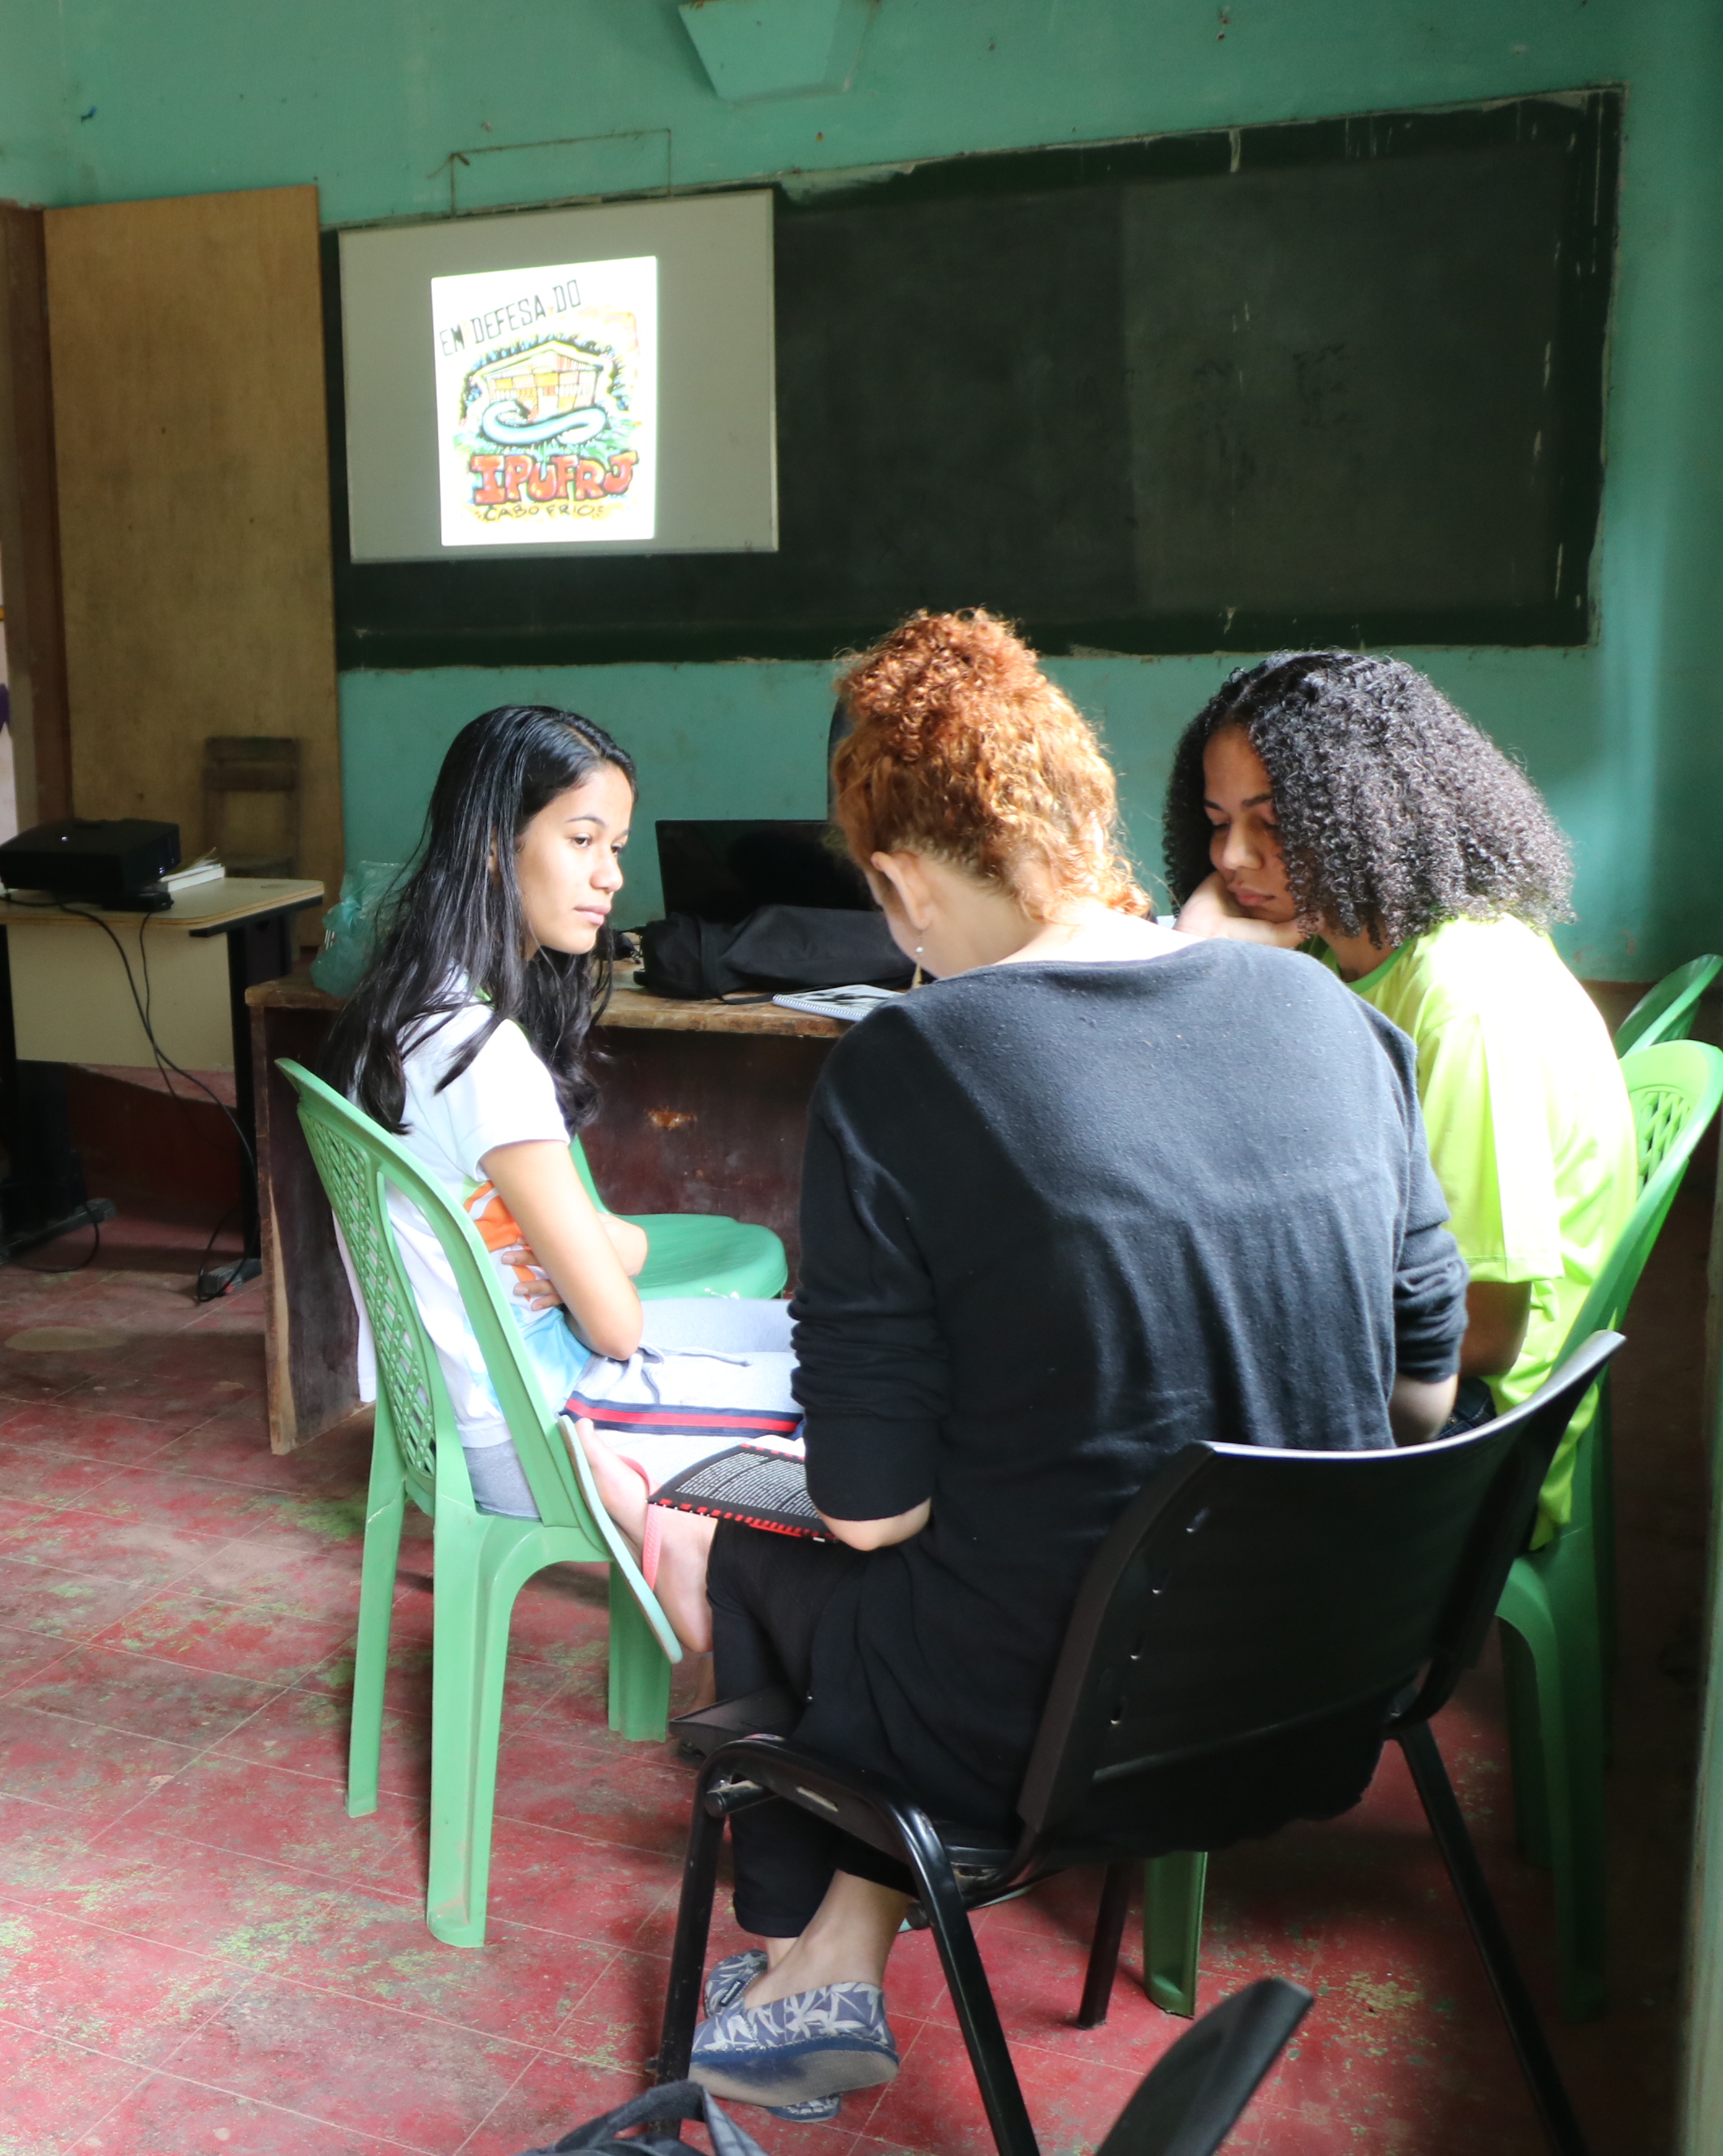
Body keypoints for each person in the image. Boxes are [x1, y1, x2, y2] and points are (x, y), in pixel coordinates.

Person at [676, 614, 1467, 2119]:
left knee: (758, 1558)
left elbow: (869, 1514)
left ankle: (802, 1958)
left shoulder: (904, 1067)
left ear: (901, 884)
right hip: (1330, 1685)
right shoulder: (1332, 1010)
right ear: (1089, 818)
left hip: (1044, 1731)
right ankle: (827, 1952)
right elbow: (1417, 1400)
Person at [314, 705, 737, 1649]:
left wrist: (599, 1242)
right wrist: (611, 1243)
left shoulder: (406, 1010)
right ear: (494, 849)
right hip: (523, 1439)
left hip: (455, 1417)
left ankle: (685, 1558)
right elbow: (615, 1322)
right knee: (818, 1389)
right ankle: (695, 1563)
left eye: (614, 846)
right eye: (581, 840)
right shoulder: (483, 1055)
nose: (611, 875)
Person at [1168, 652, 1635, 1487]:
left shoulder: (1465, 1003)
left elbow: (1480, 1334)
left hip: (1472, 1431)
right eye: (1217, 821)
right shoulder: (1342, 947)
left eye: (1273, 824)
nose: (1233, 858)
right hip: (1397, 1340)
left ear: (1367, 814)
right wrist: (1214, 939)